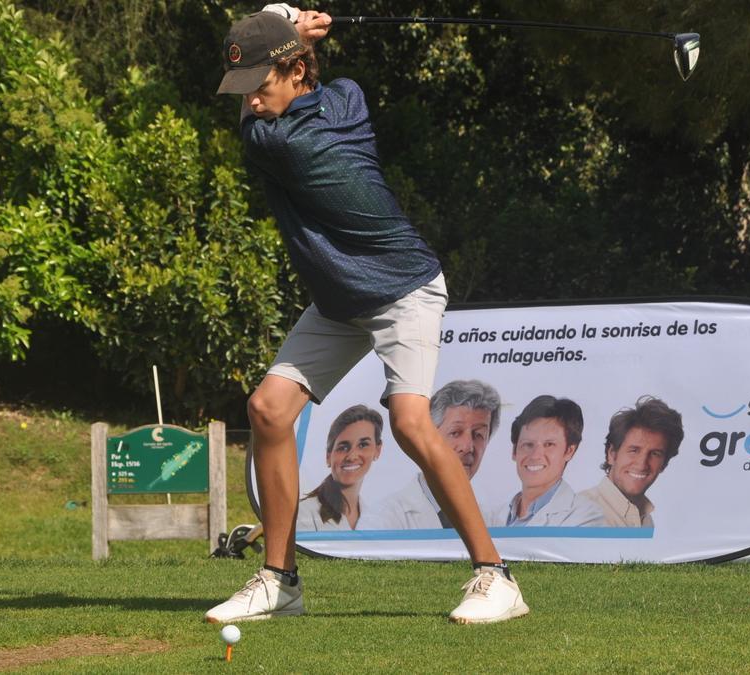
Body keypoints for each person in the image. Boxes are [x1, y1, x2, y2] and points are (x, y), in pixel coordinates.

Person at [204, 7, 527, 625]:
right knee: (269, 409)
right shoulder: (347, 99)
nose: (252, 101)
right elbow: (321, 81)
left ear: (296, 69)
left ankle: (496, 576)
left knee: (408, 422)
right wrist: (288, 32)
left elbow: (259, 116)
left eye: (259, 87)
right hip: (340, 300)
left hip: (402, 288)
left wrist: (284, 19)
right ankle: (280, 581)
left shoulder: (280, 142)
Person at [359, 380, 502, 529]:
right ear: (429, 436)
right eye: (455, 432)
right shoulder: (382, 521)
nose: (467, 447)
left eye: (479, 434)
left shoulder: (492, 524)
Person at [487, 395, 605, 527]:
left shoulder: (586, 517)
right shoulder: (490, 518)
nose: (536, 456)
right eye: (528, 444)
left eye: (549, 444)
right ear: (515, 451)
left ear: (569, 451)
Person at [580, 396, 684, 527]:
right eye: (634, 450)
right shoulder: (580, 513)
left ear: (664, 464)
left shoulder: (646, 519)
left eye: (655, 454)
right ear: (611, 454)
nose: (642, 464)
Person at [297, 405, 383, 531]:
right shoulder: (303, 514)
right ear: (328, 456)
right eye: (343, 447)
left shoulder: (377, 518)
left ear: (377, 450)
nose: (352, 456)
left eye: (363, 445)